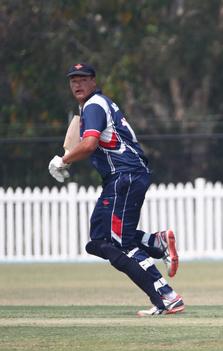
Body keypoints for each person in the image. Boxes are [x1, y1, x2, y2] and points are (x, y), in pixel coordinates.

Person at [48, 63, 184, 315]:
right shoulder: (93, 106)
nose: (77, 84)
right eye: (73, 80)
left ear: (93, 81)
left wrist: (62, 160)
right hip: (121, 177)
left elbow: (88, 144)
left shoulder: (94, 105)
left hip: (125, 176)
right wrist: (69, 156)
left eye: (82, 79)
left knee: (119, 244)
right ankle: (156, 242)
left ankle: (166, 296)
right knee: (99, 240)